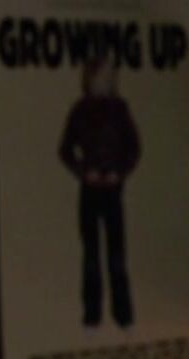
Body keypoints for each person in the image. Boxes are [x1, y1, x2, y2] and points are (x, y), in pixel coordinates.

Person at [59, 55, 140, 328]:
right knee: (92, 254)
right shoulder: (80, 111)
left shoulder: (120, 110)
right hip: (90, 189)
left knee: (117, 254)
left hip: (113, 189)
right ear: (91, 78)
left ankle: (123, 314)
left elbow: (134, 148)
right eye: (103, 76)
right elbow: (65, 150)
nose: (107, 81)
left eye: (110, 76)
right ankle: (92, 314)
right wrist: (84, 172)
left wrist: (120, 172)